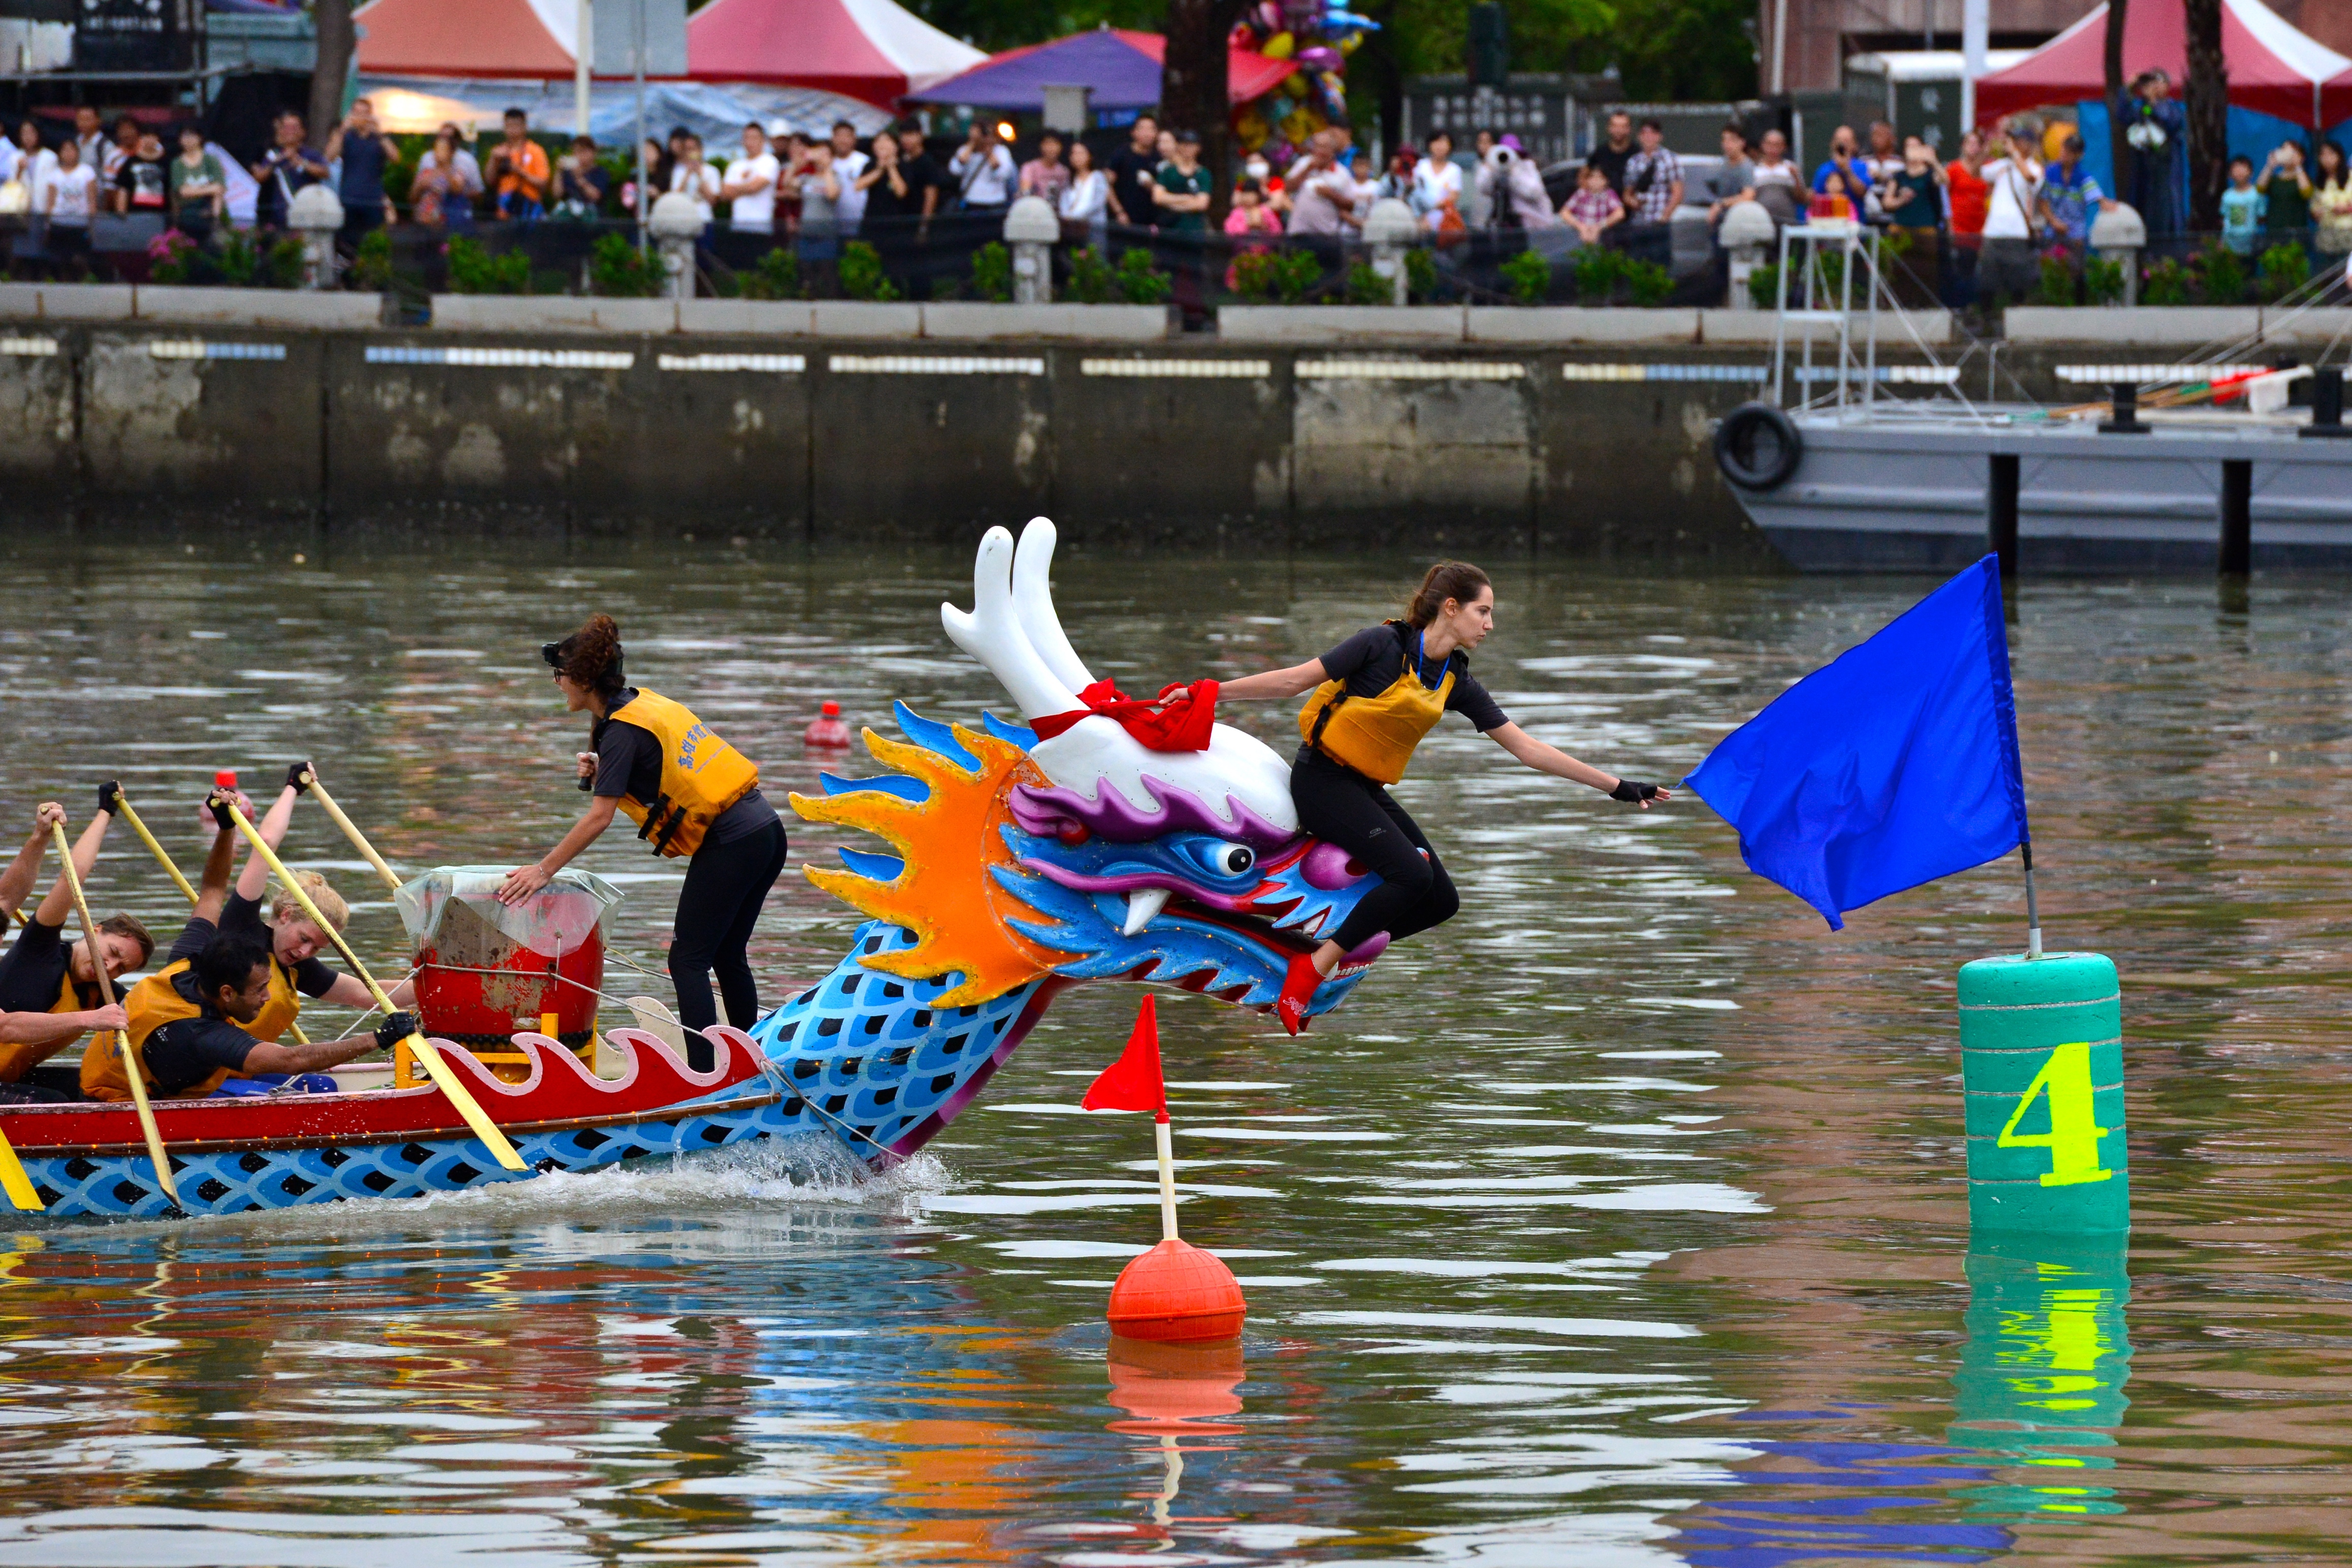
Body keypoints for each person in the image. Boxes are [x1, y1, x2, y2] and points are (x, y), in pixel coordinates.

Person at [1215, 563, 1667, 1035]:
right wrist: (1209, 694)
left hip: (1364, 790)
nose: (1490, 624)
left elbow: (1527, 749)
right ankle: (1312, 968)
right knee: (1411, 874)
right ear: (1451, 608)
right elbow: (1293, 682)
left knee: (1439, 900)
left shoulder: (1455, 680)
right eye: (1483, 611)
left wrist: (1617, 786)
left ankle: (1310, 950)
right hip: (1323, 783)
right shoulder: (1380, 645)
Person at [498, 616, 785, 1068]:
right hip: (766, 828)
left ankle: (707, 1073)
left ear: (583, 679)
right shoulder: (638, 704)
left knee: (687, 959)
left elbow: (599, 818)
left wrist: (542, 870)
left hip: (734, 842)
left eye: (560, 677)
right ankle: (749, 1057)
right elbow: (655, 773)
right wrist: (605, 773)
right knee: (727, 952)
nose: (557, 685)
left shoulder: (621, 732)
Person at [85, 768, 407, 1102]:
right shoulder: (207, 1017)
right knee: (318, 1088)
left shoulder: (196, 953)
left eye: (318, 947)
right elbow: (264, 845)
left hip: (224, 1063)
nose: (267, 995)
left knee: (316, 1083)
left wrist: (226, 829)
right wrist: (293, 789)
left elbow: (212, 889)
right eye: (260, 989)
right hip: (129, 1094)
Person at [0, 797, 143, 1102]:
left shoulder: (104, 995)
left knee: (96, 1089)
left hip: (6, 1078)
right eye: (113, 953)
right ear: (96, 931)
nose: (110, 968)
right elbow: (72, 878)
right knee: (55, 1102)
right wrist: (105, 811)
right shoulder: (40, 950)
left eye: (122, 969)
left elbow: (159, 1012)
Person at [1978, 122, 2042, 304]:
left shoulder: (2035, 167)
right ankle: (1988, 320)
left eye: (2018, 141)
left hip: (2017, 233)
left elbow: (2031, 179)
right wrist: (1985, 151)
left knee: (2017, 284)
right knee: (1987, 283)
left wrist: (2014, 153)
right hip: (1993, 231)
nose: (2014, 144)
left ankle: (2016, 319)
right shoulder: (2002, 165)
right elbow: (1976, 172)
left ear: (2028, 144)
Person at [2116, 69, 2185, 238]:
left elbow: (2170, 122)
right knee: (2143, 214)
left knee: (2165, 216)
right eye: (2149, 84)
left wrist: (2155, 101)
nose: (2153, 87)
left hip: (2166, 173)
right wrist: (2128, 89)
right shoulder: (2143, 109)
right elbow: (2124, 115)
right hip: (2144, 174)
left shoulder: (2173, 108)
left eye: (2158, 82)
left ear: (2168, 86)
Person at [325, 97, 399, 246]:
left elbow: (396, 158)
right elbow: (329, 157)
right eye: (356, 113)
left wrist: (380, 133)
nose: (360, 117)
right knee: (347, 244)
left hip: (373, 200)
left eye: (364, 113)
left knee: (372, 243)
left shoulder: (378, 139)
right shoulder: (347, 137)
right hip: (349, 199)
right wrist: (342, 130)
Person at [1619, 118, 1681, 268]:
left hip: (1659, 223)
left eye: (1653, 133)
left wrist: (1664, 217)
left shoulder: (1670, 159)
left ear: (1660, 137)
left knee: (1660, 269)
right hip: (1638, 223)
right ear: (1639, 137)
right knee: (1637, 268)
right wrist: (1632, 202)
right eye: (1645, 133)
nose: (1649, 137)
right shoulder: (1633, 162)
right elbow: (1627, 193)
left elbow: (1678, 193)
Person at [251, 111, 326, 232]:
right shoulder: (273, 155)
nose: (290, 131)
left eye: (294, 128)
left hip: (305, 215)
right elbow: (259, 177)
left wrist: (300, 162)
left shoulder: (311, 154)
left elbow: (325, 172)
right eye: (286, 127)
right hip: (278, 217)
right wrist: (278, 161)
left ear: (303, 132)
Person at [42, 138, 96, 278]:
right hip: (59, 223)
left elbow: (92, 200)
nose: (68, 153)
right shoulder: (54, 175)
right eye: (65, 150)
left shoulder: (87, 172)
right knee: (59, 260)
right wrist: (47, 225)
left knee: (80, 259)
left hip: (80, 224)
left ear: (77, 152)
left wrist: (92, 225)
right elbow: (50, 201)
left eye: (72, 149)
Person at [486, 108, 550, 222]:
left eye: (516, 126)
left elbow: (543, 183)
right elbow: (489, 180)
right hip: (504, 208)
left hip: (529, 207)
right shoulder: (500, 151)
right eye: (509, 126)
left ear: (525, 127)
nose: (512, 130)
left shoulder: (536, 151)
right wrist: (494, 159)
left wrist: (519, 171)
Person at [166, 125, 225, 242]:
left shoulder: (211, 160)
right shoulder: (177, 164)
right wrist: (208, 188)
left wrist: (193, 190)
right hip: (187, 215)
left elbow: (219, 188)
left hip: (212, 214)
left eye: (192, 135)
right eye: (185, 136)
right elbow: (182, 191)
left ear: (200, 138)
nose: (188, 139)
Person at [720, 122, 780, 238]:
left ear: (763, 141)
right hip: (738, 227)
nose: (750, 142)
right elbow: (725, 194)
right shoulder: (735, 166)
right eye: (746, 138)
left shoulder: (769, 161)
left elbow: (755, 187)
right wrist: (746, 187)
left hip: (761, 228)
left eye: (754, 138)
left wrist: (735, 188)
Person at [796, 140, 840, 291]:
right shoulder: (807, 178)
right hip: (806, 232)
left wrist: (827, 169)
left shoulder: (835, 177)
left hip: (825, 233)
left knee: (826, 270)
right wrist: (799, 164)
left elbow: (832, 194)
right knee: (806, 271)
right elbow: (789, 183)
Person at [1105, 113, 1161, 234]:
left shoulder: (1159, 157)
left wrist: (1152, 186)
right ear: (1134, 133)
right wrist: (1119, 212)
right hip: (1125, 220)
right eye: (1143, 129)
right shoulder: (1121, 154)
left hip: (1152, 224)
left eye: (1151, 129)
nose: (1147, 133)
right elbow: (1106, 185)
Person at [949, 121, 1015, 214]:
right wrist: (972, 145)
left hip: (995, 202)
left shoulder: (1001, 151)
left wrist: (989, 152)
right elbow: (955, 170)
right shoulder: (964, 150)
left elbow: (1003, 174)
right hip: (971, 201)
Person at [2260, 138, 2314, 250]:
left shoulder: (2304, 178)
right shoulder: (2275, 180)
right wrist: (2270, 166)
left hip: (2297, 232)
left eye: (2292, 152)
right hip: (2275, 230)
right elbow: (2260, 188)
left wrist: (2298, 166)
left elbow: (2307, 193)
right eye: (2284, 150)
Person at [1701, 122, 1756, 230]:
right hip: (1720, 221)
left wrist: (1721, 204)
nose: (1727, 144)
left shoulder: (1746, 167)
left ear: (1742, 143)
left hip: (1739, 223)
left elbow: (1748, 196)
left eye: (1732, 140)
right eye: (1724, 140)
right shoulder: (1723, 165)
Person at [1811, 124, 1872, 216]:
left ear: (1855, 145)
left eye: (1846, 141)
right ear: (1832, 144)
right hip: (1828, 221)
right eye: (1838, 140)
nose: (1842, 145)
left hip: (1854, 221)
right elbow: (1816, 196)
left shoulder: (1861, 166)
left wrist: (1847, 169)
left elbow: (1862, 192)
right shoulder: (1824, 169)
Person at [1560, 160, 1624, 247]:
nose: (1596, 181)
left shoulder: (1609, 195)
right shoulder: (1581, 194)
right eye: (1592, 178)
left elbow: (1620, 213)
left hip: (1602, 237)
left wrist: (1599, 227)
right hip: (1581, 235)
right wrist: (1580, 226)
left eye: (1600, 178)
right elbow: (1565, 212)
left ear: (1606, 181)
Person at [1411, 130, 1463, 235]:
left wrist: (1432, 205)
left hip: (1445, 223)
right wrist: (1422, 217)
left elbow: (1453, 197)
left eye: (1444, 142)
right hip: (1420, 221)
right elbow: (1414, 194)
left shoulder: (1454, 170)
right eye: (1436, 142)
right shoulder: (1420, 166)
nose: (1440, 146)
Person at [1059, 139, 1108, 248]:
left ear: (1089, 156)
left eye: (1081, 153)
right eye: (1074, 154)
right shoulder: (1069, 180)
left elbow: (1098, 203)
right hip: (1072, 230)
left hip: (1093, 228)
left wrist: (1075, 216)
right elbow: (1064, 202)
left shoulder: (1098, 177)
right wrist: (1066, 216)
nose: (1077, 157)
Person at [1749, 127, 1803, 225]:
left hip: (1787, 223)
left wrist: (1796, 179)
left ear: (1784, 147)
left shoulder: (1791, 168)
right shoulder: (1753, 169)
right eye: (1769, 145)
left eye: (1777, 145)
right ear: (1763, 145)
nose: (1773, 149)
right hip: (1760, 223)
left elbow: (1801, 199)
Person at [111, 128, 167, 220]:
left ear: (158, 139)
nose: (149, 140)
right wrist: (121, 211)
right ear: (141, 139)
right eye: (146, 136)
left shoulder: (166, 162)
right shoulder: (131, 162)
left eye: (153, 137)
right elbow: (124, 188)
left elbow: (171, 190)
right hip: (135, 213)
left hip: (161, 214)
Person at [552, 136, 609, 218]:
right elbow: (557, 195)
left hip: (592, 218)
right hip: (569, 217)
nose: (579, 155)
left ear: (593, 152)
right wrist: (559, 172)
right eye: (576, 152)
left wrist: (579, 178)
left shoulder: (601, 173)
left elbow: (596, 196)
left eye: (583, 151)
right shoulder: (568, 172)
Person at [2313, 140, 2352, 259]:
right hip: (2327, 233)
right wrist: (2316, 213)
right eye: (2323, 155)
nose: (2327, 158)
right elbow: (2314, 206)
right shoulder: (2320, 182)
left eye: (2331, 154)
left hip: (2348, 232)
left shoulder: (2350, 177)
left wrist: (2347, 209)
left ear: (2339, 156)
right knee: (2328, 271)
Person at [1586, 110, 1636, 199]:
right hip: (1605, 210)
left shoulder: (1638, 154)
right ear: (1609, 128)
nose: (1619, 130)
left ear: (1629, 129)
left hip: (1633, 210)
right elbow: (1584, 176)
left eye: (1623, 126)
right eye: (1615, 126)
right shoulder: (1600, 153)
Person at [2221, 156, 2265, 256]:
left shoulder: (2257, 194)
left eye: (2243, 168)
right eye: (2236, 168)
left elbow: (2262, 218)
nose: (2240, 172)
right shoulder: (2227, 196)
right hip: (2231, 246)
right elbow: (2224, 219)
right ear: (2230, 174)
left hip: (2251, 245)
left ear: (2251, 172)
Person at [1020, 129, 1071, 207]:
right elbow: (1025, 192)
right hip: (1034, 210)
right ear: (1041, 146)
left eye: (1055, 144)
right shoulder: (1030, 168)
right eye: (1048, 144)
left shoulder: (1064, 171)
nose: (1051, 148)